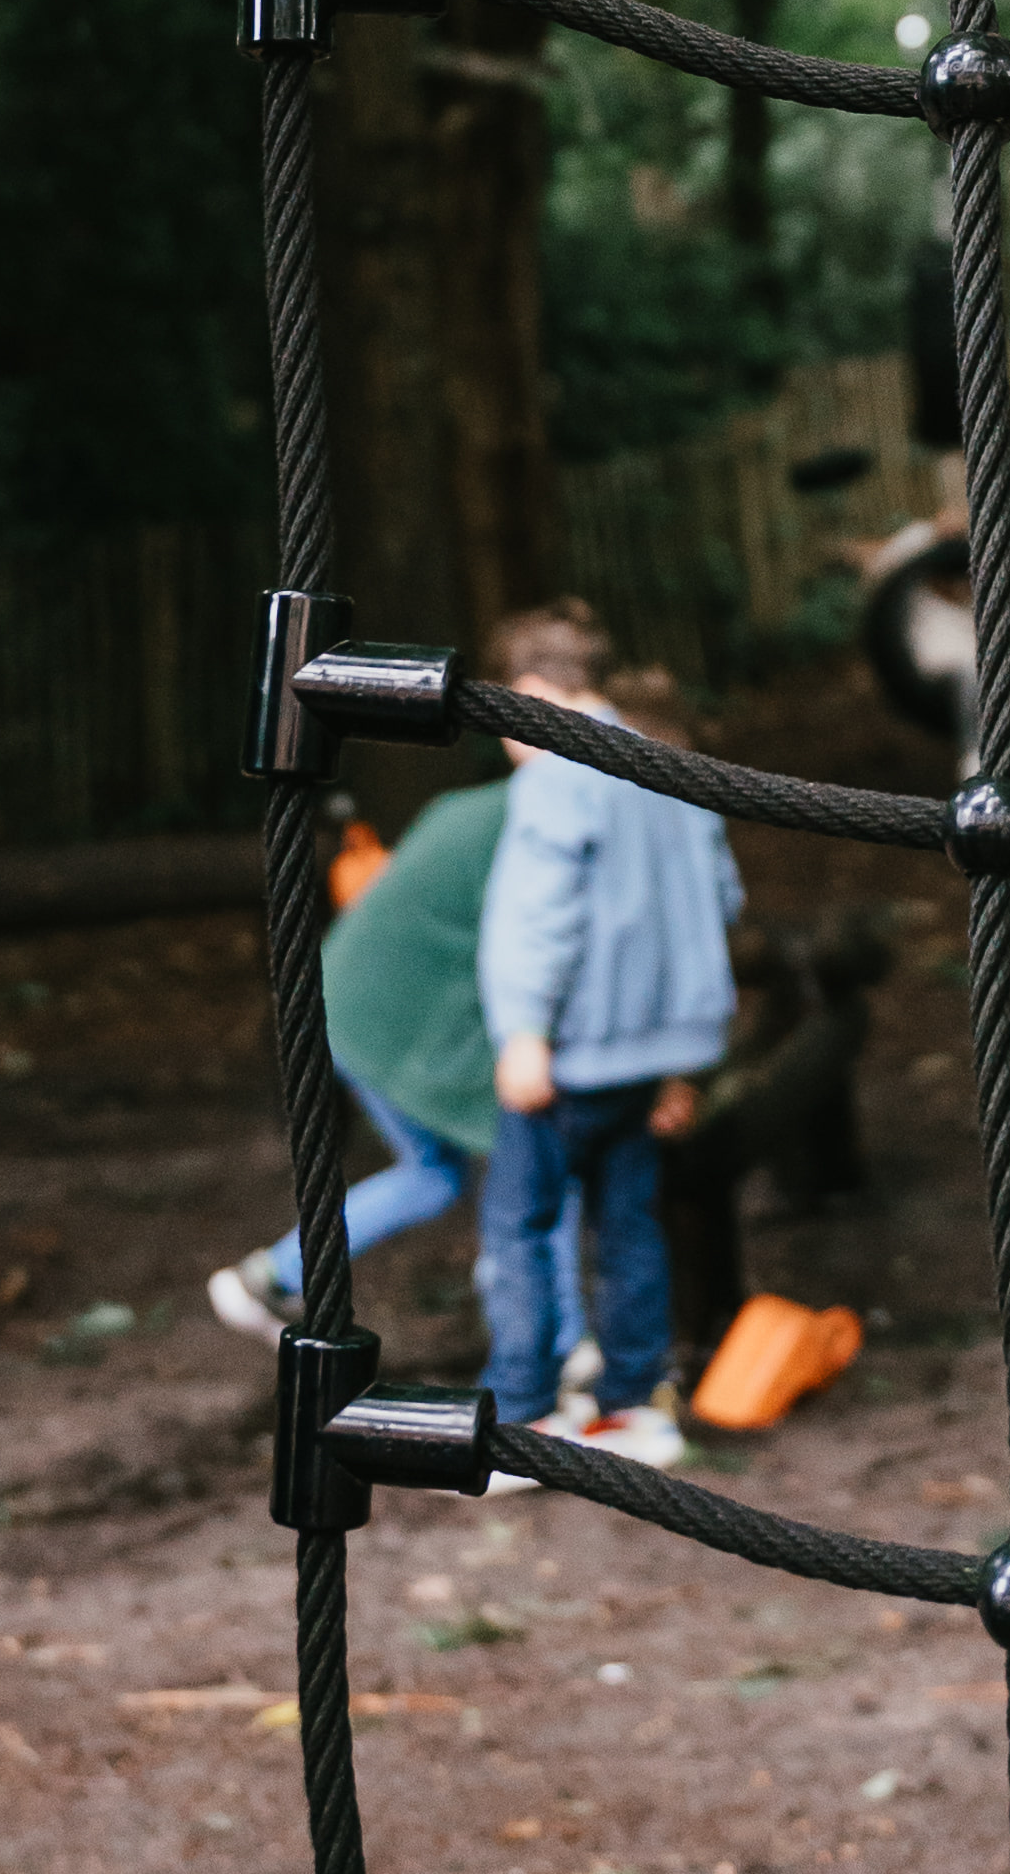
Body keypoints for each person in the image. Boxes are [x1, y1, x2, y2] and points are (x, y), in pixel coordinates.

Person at [473, 608, 735, 1467]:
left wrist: (523, 1032)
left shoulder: (558, 774)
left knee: (519, 1227)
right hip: (652, 1058)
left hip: (569, 1055)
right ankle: (634, 1407)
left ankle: (521, 1415)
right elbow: (717, 902)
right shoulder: (665, 762)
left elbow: (537, 918)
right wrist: (681, 1059)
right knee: (629, 1229)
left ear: (531, 694)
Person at [207, 778, 516, 1341]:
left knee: (437, 1173)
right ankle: (550, 1329)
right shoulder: (526, 822)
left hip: (348, 1001)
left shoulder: (465, 809)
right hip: (380, 1018)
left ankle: (272, 1276)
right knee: (514, 1154)